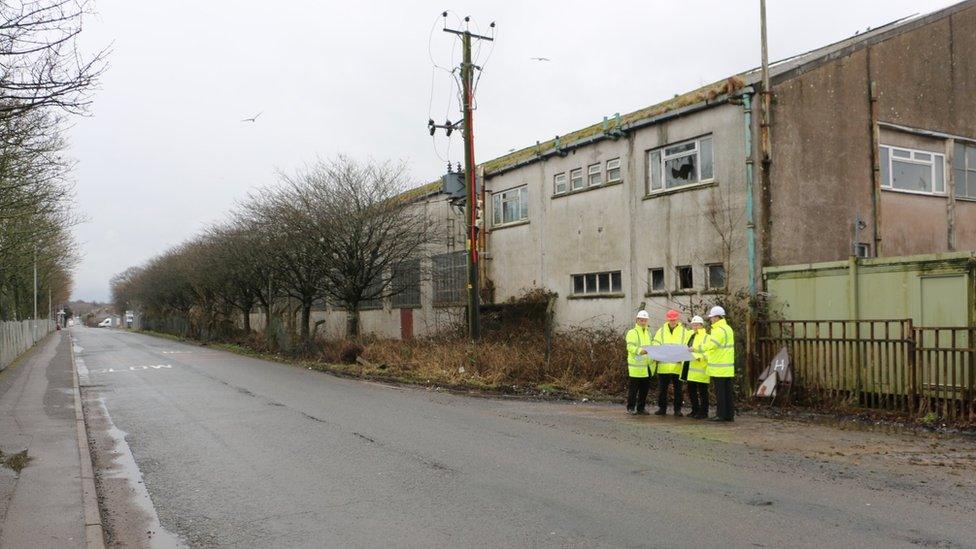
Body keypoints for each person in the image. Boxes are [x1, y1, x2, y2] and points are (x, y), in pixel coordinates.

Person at [694, 305, 735, 422]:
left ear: (717, 317)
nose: (710, 319)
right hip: (727, 366)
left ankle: (721, 415)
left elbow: (711, 345)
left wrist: (696, 348)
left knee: (720, 393)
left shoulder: (718, 330)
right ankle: (729, 415)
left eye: (712, 317)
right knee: (727, 392)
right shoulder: (728, 329)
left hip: (718, 367)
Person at [651, 309, 690, 416]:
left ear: (678, 319)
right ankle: (662, 409)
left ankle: (677, 410)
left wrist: (681, 358)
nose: (672, 321)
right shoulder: (661, 331)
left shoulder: (684, 332)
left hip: (677, 366)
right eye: (671, 319)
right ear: (667, 319)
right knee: (662, 389)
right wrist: (656, 354)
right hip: (664, 365)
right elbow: (655, 343)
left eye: (674, 319)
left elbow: (687, 347)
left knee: (678, 389)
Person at [625, 310, 653, 415]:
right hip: (635, 367)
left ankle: (641, 408)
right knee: (633, 390)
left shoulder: (648, 333)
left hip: (646, 367)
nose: (643, 322)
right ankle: (631, 407)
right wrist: (639, 351)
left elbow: (651, 347)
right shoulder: (632, 332)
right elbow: (630, 347)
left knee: (644, 391)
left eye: (645, 320)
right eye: (641, 320)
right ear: (637, 320)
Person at [681, 316, 710, 419]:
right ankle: (695, 410)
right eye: (693, 324)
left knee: (703, 391)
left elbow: (709, 352)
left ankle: (704, 412)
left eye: (697, 324)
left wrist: (699, 357)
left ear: (702, 325)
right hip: (690, 367)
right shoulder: (691, 336)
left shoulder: (707, 337)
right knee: (692, 390)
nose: (695, 326)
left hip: (701, 368)